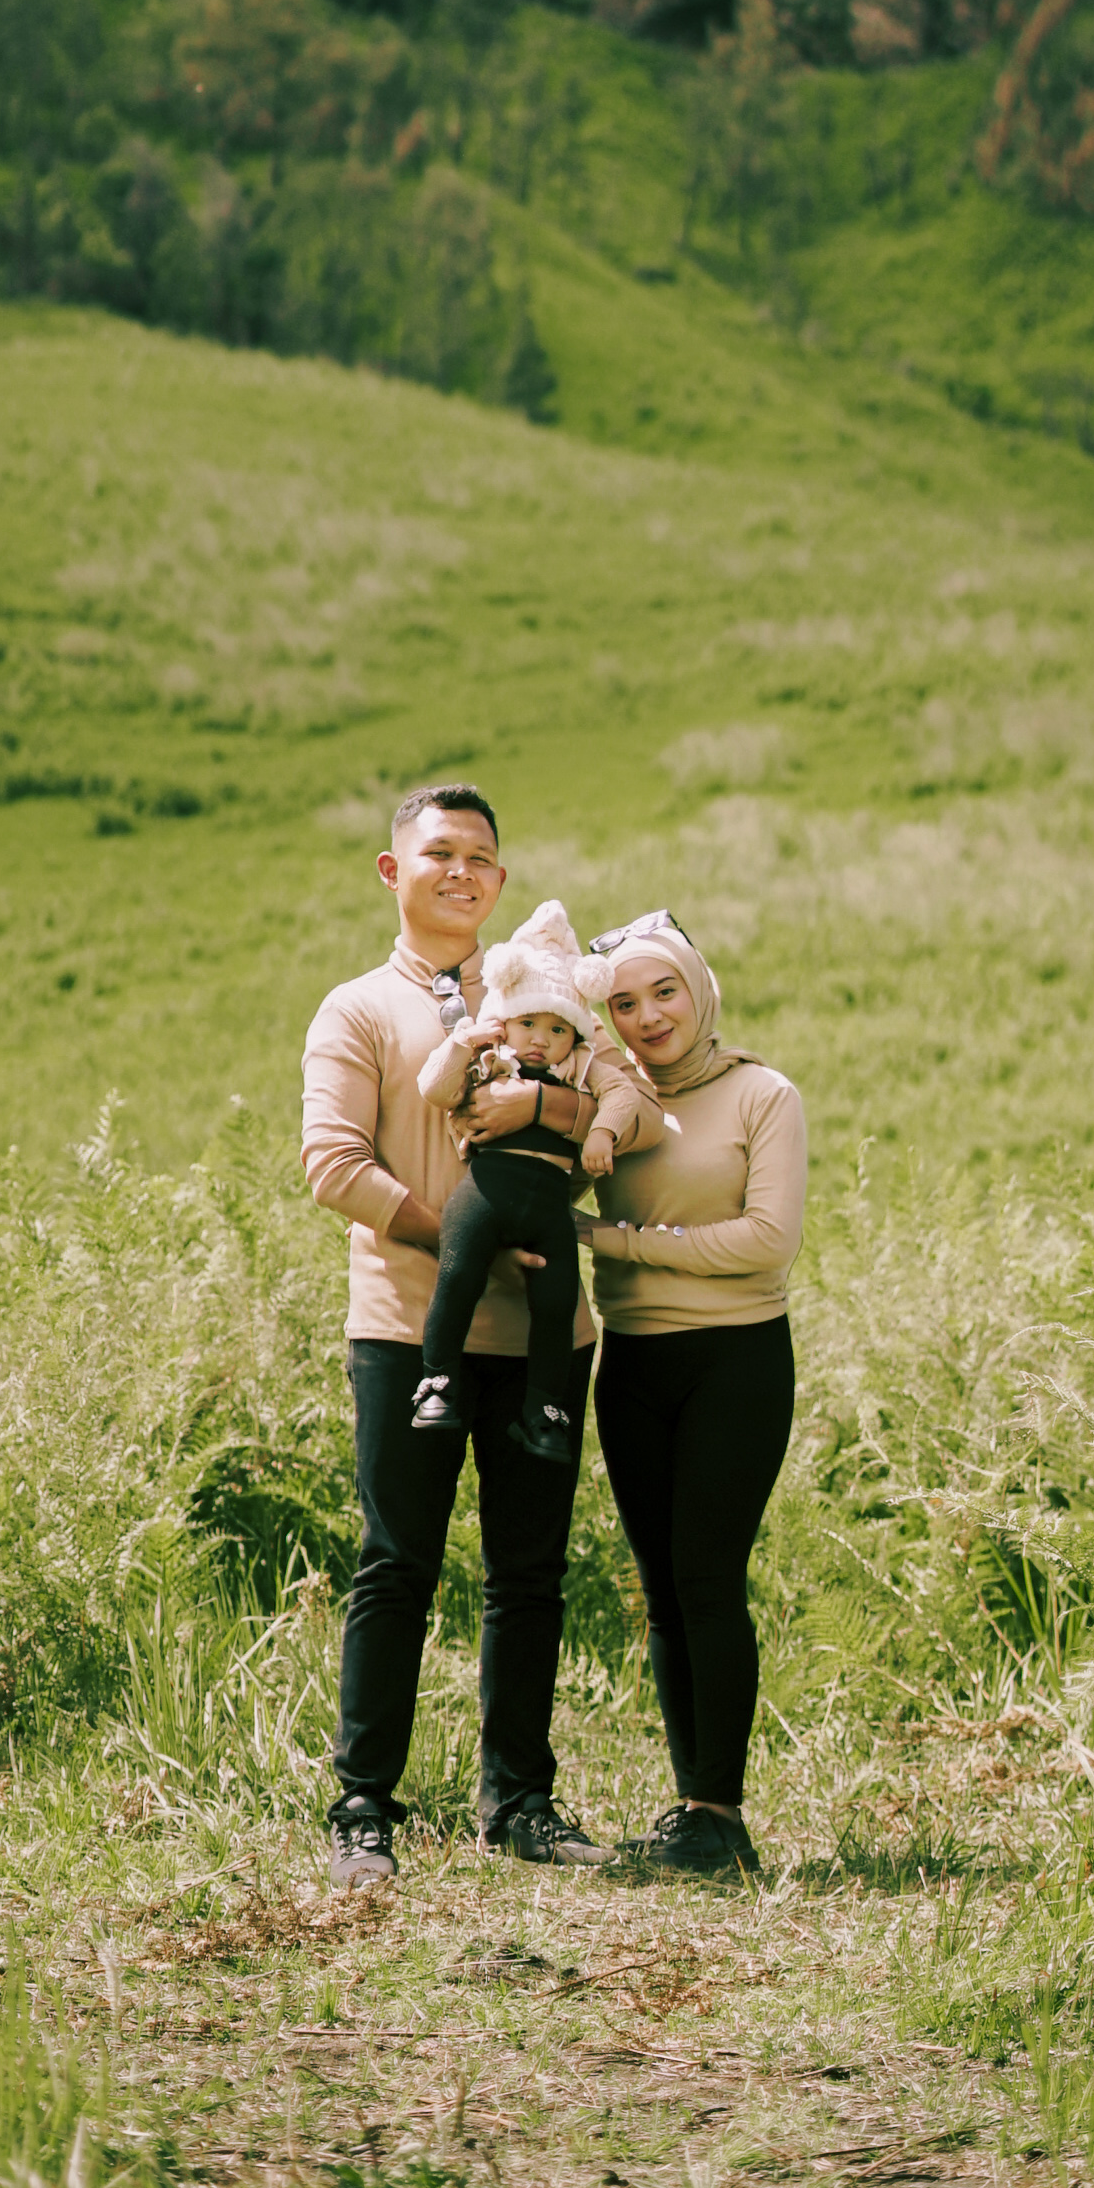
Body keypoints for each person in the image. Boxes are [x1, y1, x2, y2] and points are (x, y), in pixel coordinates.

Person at [300, 787, 658, 1889]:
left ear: (500, 881)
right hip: (410, 1328)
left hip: (548, 1338)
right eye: (438, 853)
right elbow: (333, 1165)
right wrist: (469, 1243)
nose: (461, 872)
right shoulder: (358, 1010)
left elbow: (631, 1107)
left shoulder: (548, 1003)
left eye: (480, 858)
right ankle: (364, 1805)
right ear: (392, 870)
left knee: (529, 1574)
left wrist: (545, 1112)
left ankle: (519, 1803)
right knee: (395, 1563)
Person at [573, 910, 805, 1879]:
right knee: (662, 1589)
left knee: (707, 1575)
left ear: (698, 991)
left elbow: (767, 1240)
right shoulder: (606, 1103)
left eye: (663, 991)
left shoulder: (763, 1094)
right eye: (624, 1003)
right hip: (631, 1364)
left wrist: (615, 1240)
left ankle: (722, 1813)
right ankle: (691, 1813)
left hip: (735, 1361)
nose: (648, 1015)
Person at [413, 900, 655, 1465]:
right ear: (506, 1019)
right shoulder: (491, 1056)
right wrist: (464, 1042)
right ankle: (436, 1382)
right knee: (457, 1275)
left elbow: (624, 1095)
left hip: (548, 1206)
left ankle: (545, 1411)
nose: (540, 1041)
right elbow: (435, 1089)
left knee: (557, 1301)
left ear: (575, 1032)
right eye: (528, 1024)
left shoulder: (581, 1065)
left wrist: (601, 1133)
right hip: (485, 1192)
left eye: (556, 1028)